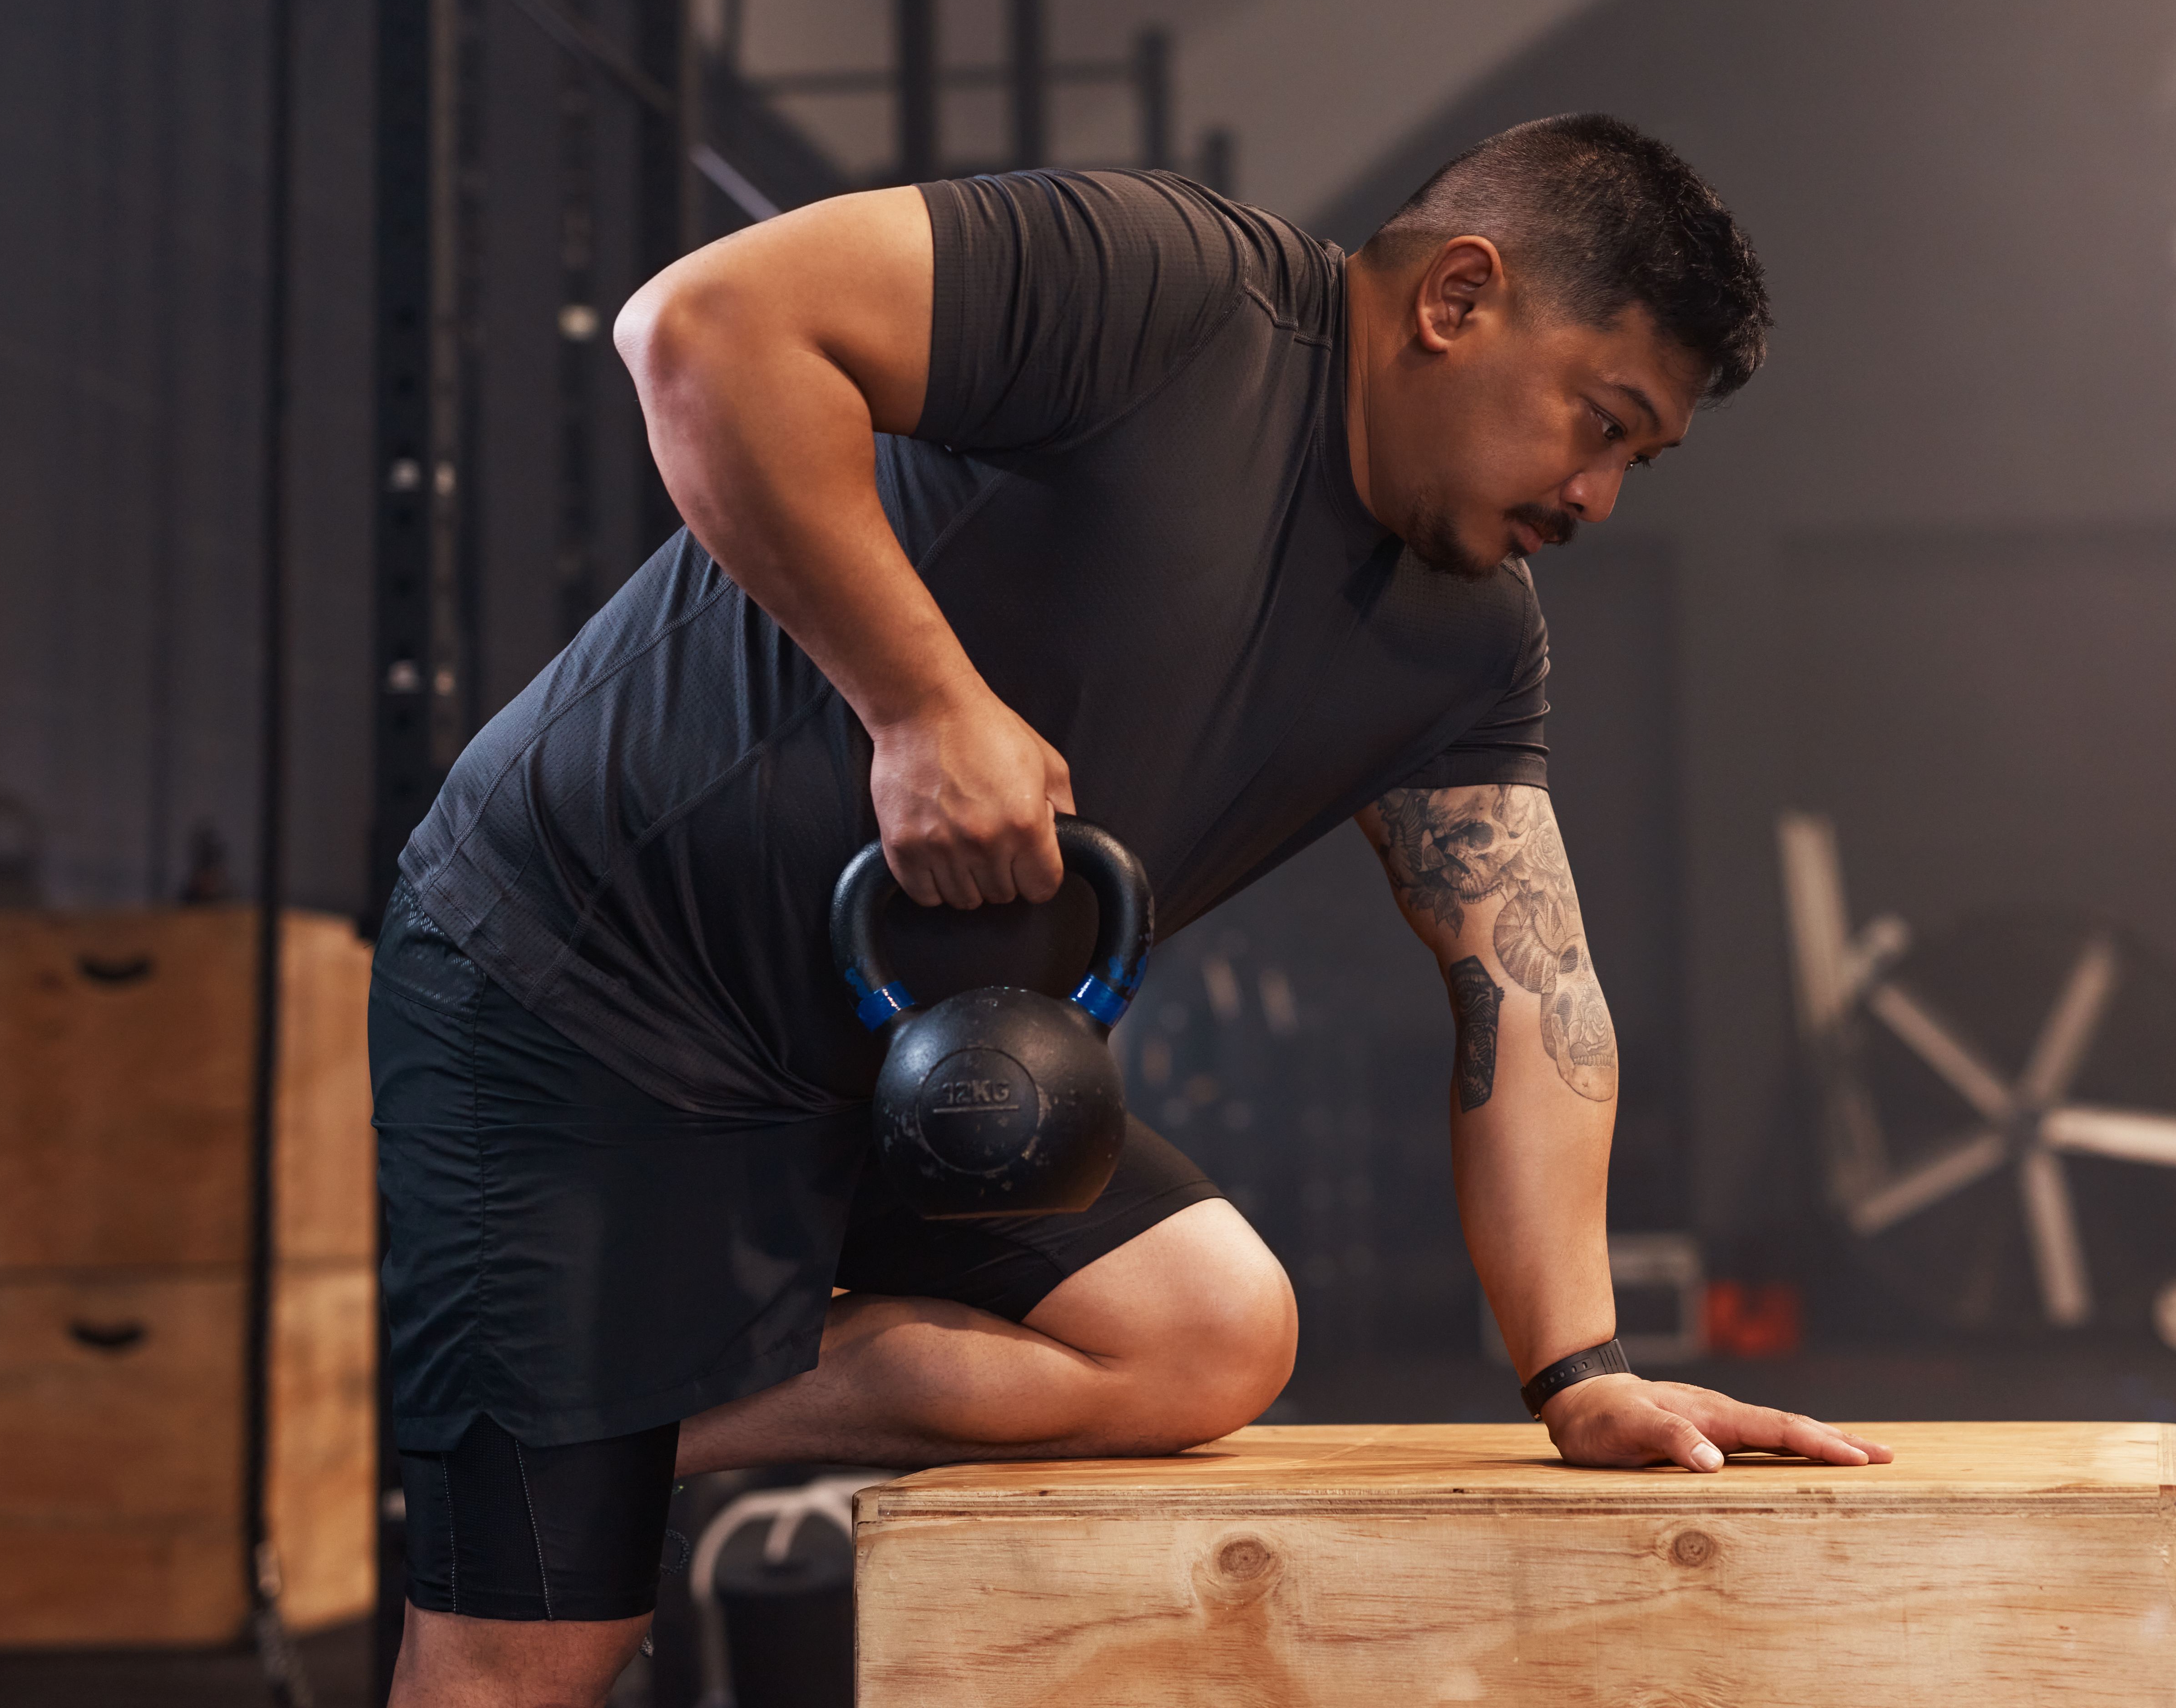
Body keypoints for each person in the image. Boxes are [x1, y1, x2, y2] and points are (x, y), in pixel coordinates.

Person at [371, 116, 1894, 1705]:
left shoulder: (1469, 643)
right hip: (584, 979)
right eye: (1599, 420)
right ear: (1457, 298)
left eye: (1632, 462)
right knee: (533, 1656)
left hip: (890, 1065)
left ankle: (589, 1420)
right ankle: (542, 1433)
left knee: (1207, 1332)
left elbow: (1524, 990)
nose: (1592, 495)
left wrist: (1581, 1375)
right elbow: (700, 325)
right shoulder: (1167, 294)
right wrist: (920, 705)